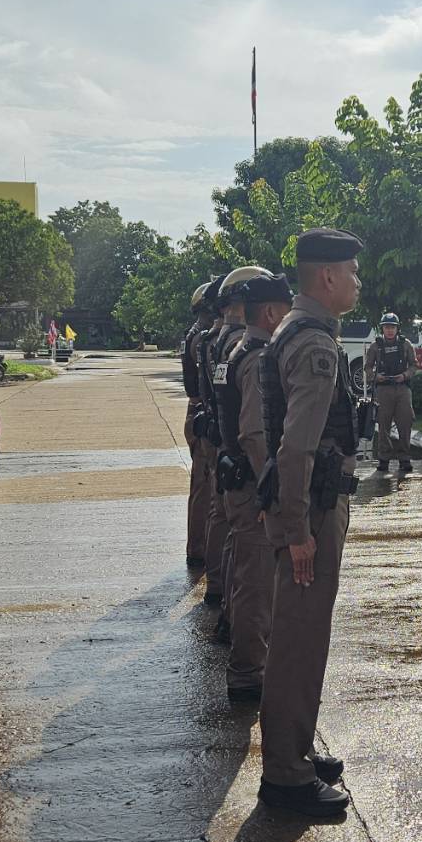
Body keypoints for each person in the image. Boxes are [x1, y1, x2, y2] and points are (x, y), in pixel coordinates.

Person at [254, 227, 363, 818]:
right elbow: (296, 447)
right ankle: (286, 776)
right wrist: (298, 531)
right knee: (299, 640)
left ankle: (294, 748)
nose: (357, 282)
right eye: (352, 272)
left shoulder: (296, 330)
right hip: (312, 509)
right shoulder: (314, 343)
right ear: (327, 276)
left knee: (300, 635)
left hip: (306, 504)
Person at [219, 272, 292, 702]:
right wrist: (272, 490)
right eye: (285, 310)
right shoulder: (258, 358)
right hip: (251, 486)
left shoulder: (238, 349)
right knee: (258, 586)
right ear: (269, 313)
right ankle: (248, 672)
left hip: (238, 480)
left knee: (246, 576)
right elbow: (254, 433)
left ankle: (244, 658)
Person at [208, 265, 273, 643]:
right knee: (256, 576)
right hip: (247, 469)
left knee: (238, 548)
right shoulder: (250, 351)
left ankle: (228, 616)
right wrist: (271, 487)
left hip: (229, 455)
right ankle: (248, 661)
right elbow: (253, 430)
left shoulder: (225, 344)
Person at [194, 275, 230, 607]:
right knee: (226, 512)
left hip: (211, 424)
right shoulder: (226, 341)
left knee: (217, 508)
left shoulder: (208, 339)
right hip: (225, 434)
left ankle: (216, 580)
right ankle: (220, 584)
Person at [182, 282, 215, 568]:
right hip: (203, 414)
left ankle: (199, 547)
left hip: (195, 412)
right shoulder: (204, 339)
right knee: (205, 489)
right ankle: (200, 549)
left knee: (201, 487)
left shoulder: (193, 334)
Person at [363, 311, 417, 472]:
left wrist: (405, 375)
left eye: (392, 327)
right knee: (383, 424)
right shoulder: (376, 346)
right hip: (383, 389)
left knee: (405, 422)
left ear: (397, 328)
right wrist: (375, 376)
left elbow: (414, 365)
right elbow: (367, 367)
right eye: (387, 327)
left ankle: (404, 458)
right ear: (382, 328)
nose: (390, 330)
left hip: (402, 388)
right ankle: (384, 458)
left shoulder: (406, 344)